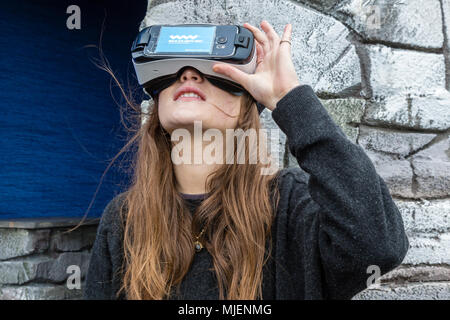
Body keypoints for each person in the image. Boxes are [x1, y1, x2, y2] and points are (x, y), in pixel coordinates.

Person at [83, 21, 409, 300]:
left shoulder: (290, 206)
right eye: (172, 70)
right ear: (156, 104)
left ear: (247, 107)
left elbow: (378, 246)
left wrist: (290, 100)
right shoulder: (125, 220)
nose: (188, 75)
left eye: (214, 71)